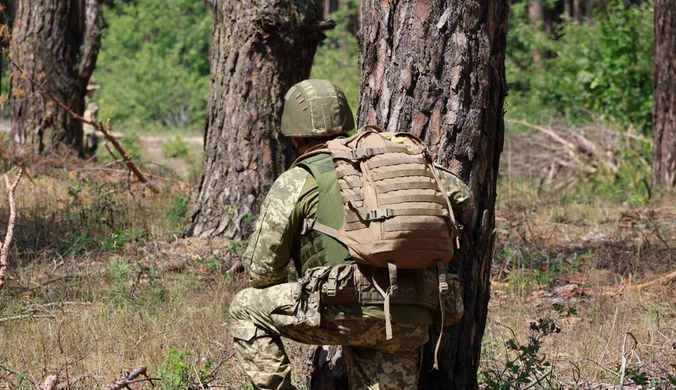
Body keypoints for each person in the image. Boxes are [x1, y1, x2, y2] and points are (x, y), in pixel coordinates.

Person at [228, 79, 472, 390]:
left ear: (296, 135)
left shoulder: (296, 180)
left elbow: (260, 273)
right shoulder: (384, 162)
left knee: (245, 307)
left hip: (341, 310)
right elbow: (461, 194)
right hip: (409, 311)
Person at [82, 78, 100, 159]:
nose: (93, 92)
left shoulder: (90, 103)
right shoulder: (90, 104)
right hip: (85, 134)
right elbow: (88, 117)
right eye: (92, 90)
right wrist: (91, 135)